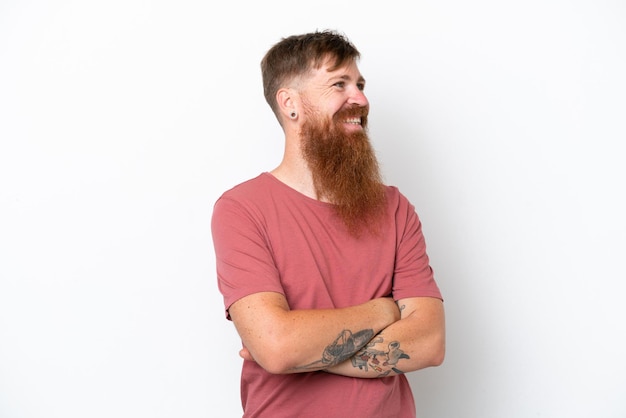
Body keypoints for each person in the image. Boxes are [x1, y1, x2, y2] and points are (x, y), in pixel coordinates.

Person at [211, 29, 445, 418]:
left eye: (360, 84)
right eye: (340, 84)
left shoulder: (394, 207)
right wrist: (382, 312)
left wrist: (297, 353)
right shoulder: (241, 209)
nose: (361, 99)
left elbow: (429, 342)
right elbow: (278, 346)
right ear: (290, 103)